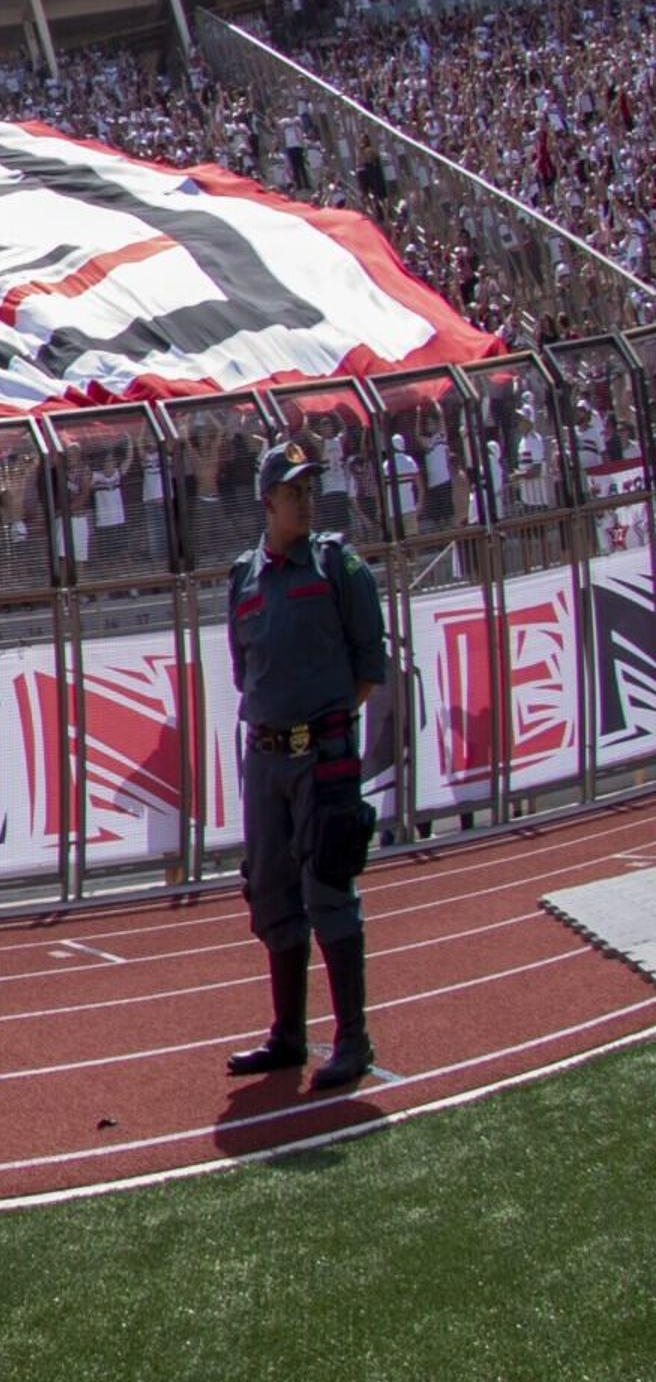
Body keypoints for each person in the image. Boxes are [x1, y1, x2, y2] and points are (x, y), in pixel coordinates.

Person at [222, 443, 392, 1093]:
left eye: (309, 486)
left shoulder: (336, 564)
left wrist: (321, 727)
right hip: (265, 760)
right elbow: (246, 670)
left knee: (329, 889)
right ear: (267, 499)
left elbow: (367, 667)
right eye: (293, 489)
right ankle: (288, 1033)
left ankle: (353, 1038)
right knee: (270, 890)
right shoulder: (243, 577)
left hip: (322, 755)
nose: (305, 497)